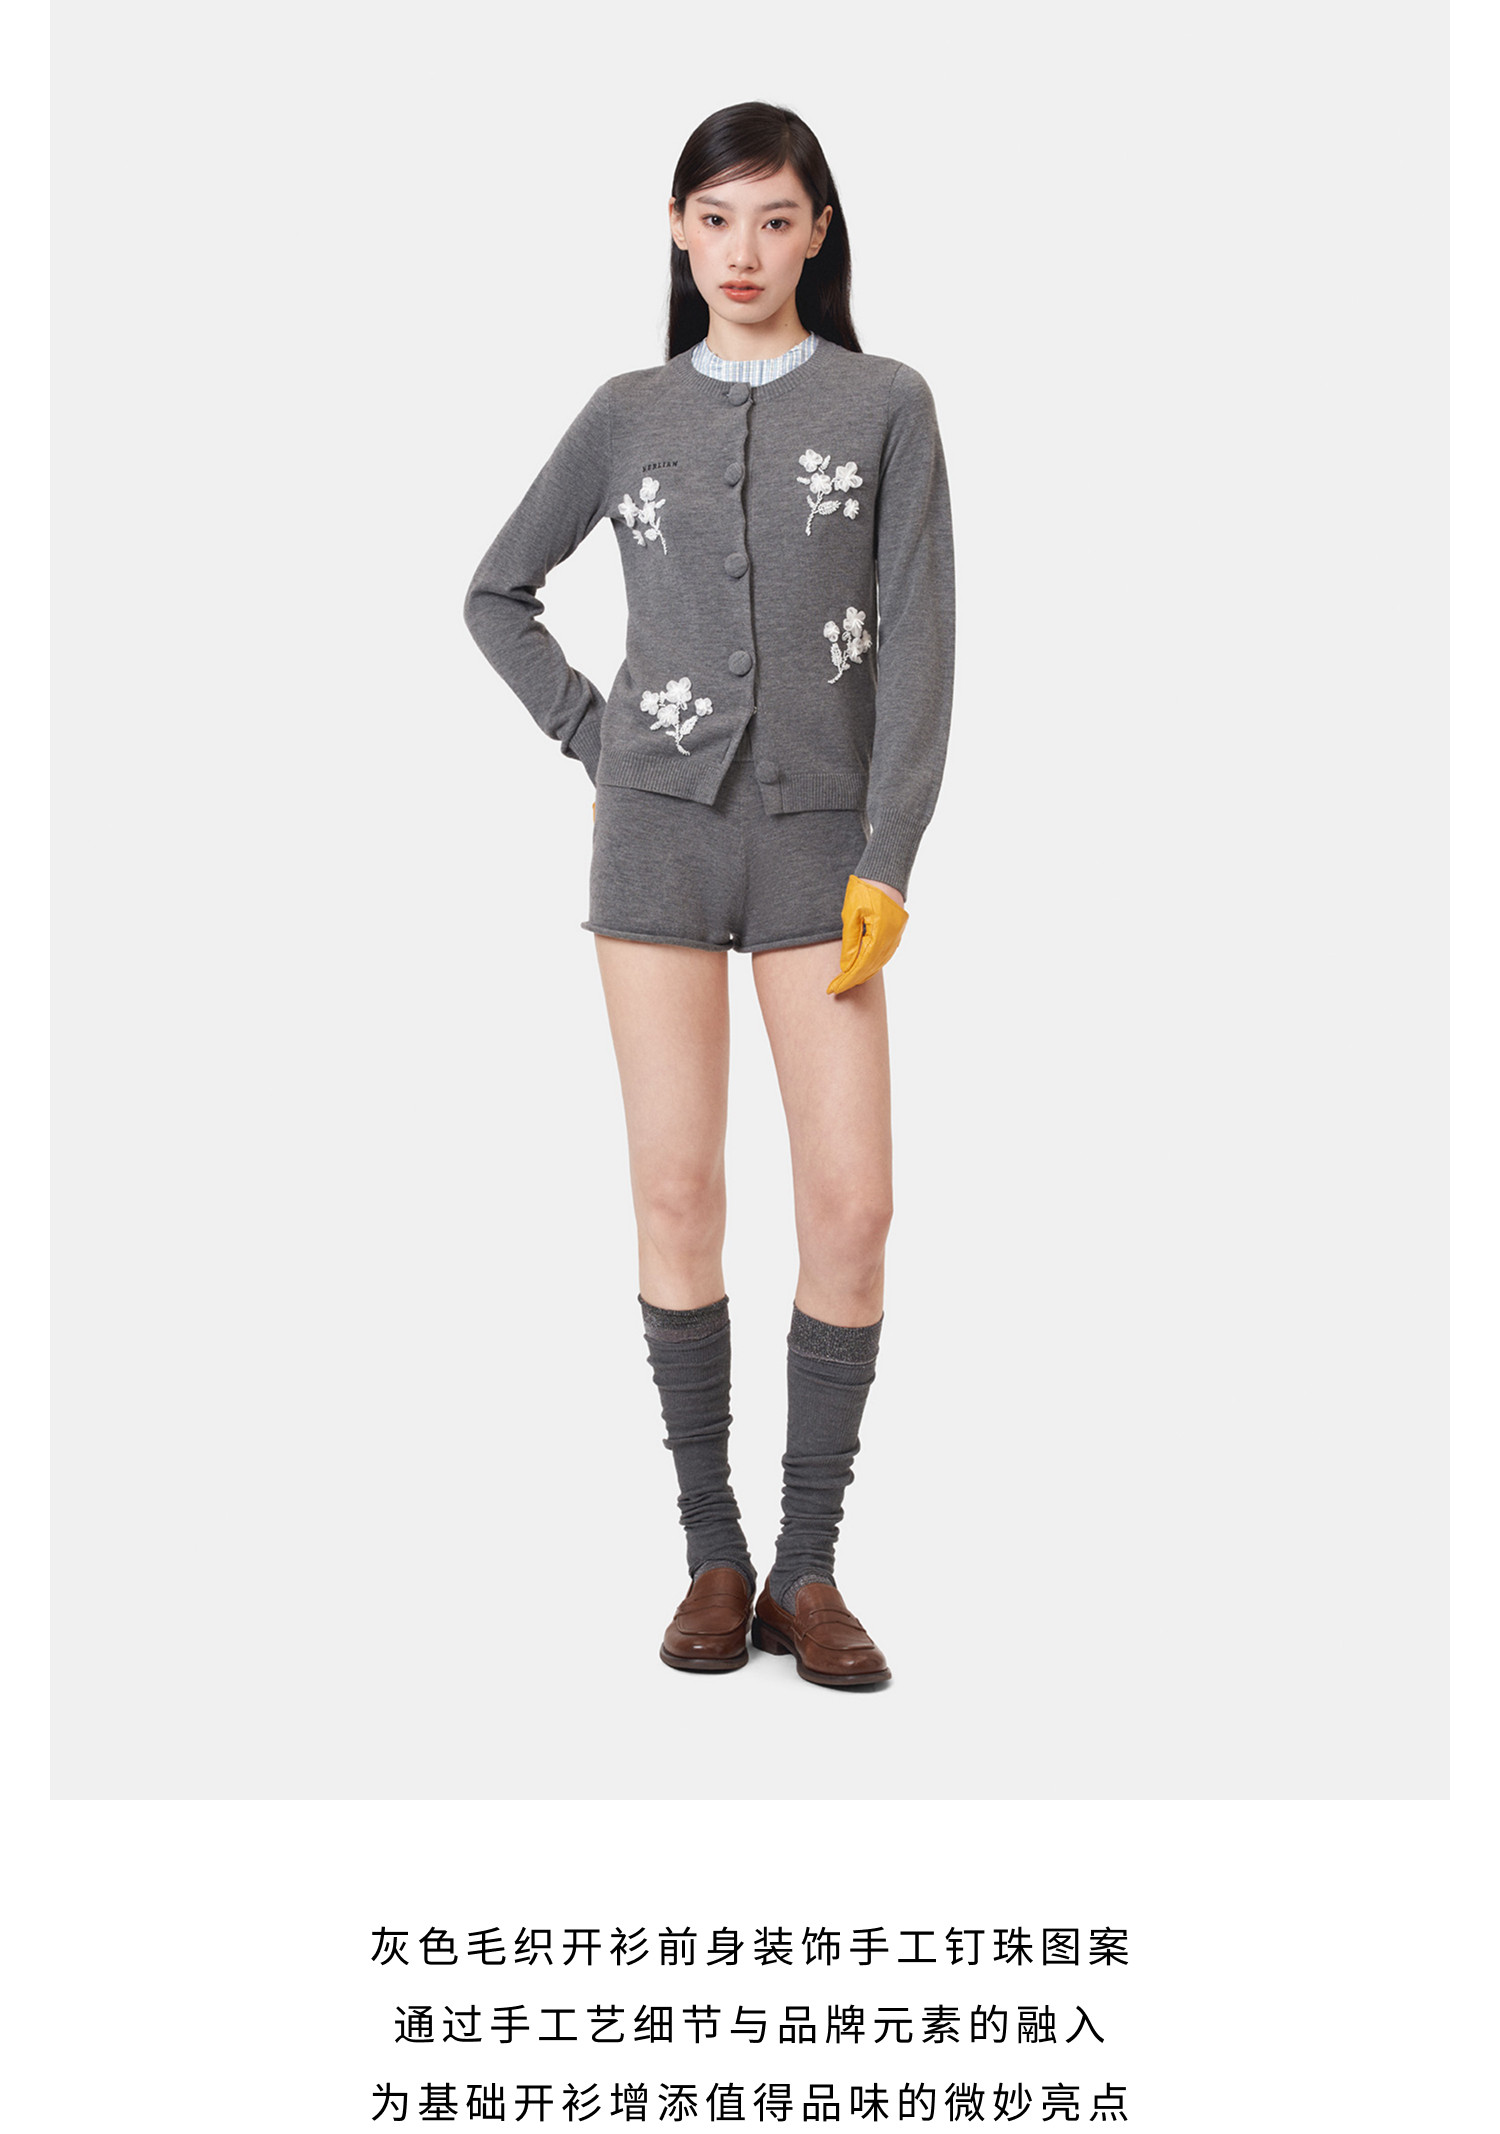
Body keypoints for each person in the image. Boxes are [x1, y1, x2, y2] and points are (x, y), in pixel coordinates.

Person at [463, 101, 954, 1689]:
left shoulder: (887, 404)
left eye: (776, 218)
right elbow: (496, 593)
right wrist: (600, 743)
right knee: (677, 1193)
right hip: (657, 847)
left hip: (824, 850)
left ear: (820, 232)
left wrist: (889, 851)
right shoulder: (626, 414)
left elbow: (921, 640)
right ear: (679, 230)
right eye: (717, 217)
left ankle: (809, 1566)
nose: (744, 250)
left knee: (854, 1206)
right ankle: (713, 1552)